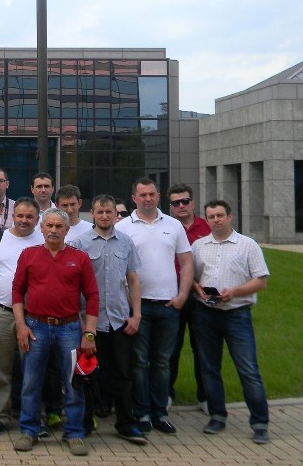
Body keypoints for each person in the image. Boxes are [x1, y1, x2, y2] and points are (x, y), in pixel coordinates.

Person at [12, 208, 99, 457]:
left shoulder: (79, 258)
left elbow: (92, 296)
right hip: (35, 327)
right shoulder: (29, 255)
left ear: (66, 230)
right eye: (49, 226)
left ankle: (74, 433)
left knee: (74, 384)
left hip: (70, 328)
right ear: (41, 228)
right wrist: (21, 325)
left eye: (58, 227)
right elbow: (17, 292)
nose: (53, 230)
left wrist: (89, 333)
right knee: (31, 382)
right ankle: (29, 431)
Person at [116, 177, 193, 435]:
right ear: (134, 198)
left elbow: (186, 263)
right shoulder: (124, 227)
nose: (147, 198)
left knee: (162, 362)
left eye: (151, 194)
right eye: (142, 195)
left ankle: (160, 412)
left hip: (169, 304)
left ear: (158, 196)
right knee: (139, 362)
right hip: (138, 307)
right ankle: (142, 412)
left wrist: (183, 295)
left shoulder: (174, 226)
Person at [192, 200, 270, 445]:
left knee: (248, 370)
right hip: (206, 314)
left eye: (220, 215)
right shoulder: (199, 246)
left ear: (230, 217)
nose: (216, 220)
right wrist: (199, 290)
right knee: (209, 368)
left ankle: (259, 422)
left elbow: (261, 281)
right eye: (211, 216)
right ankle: (217, 415)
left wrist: (234, 292)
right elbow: (193, 277)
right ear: (206, 219)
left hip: (237, 313)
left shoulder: (247, 245)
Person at [71, 195, 147, 445]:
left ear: (116, 214)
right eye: (100, 211)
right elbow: (72, 286)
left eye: (109, 212)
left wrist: (136, 315)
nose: (105, 216)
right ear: (91, 214)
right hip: (90, 322)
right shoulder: (79, 244)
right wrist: (80, 323)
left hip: (118, 320)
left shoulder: (125, 242)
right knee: (87, 374)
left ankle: (126, 424)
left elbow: (133, 279)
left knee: (123, 374)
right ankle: (85, 423)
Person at [0, 198, 44, 436]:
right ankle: (0, 416)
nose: (24, 220)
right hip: (2, 312)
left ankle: (33, 416)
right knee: (1, 366)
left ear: (37, 218)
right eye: (20, 216)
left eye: (29, 217)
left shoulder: (45, 239)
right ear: (12, 216)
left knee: (33, 368)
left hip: (36, 316)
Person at [167, 183, 212, 410]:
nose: (181, 206)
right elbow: (172, 264)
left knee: (202, 348)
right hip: (175, 295)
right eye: (176, 203)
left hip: (203, 299)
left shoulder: (207, 227)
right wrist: (190, 284)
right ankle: (166, 394)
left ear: (192, 203)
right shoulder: (167, 228)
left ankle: (205, 396)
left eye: (185, 201)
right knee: (170, 349)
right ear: (171, 206)